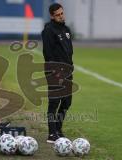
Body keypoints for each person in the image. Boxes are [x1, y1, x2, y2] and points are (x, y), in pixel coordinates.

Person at [41, 3, 74, 143]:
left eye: (62, 13)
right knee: (54, 102)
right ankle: (51, 133)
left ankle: (58, 130)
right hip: (55, 71)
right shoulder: (48, 30)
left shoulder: (66, 29)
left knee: (67, 102)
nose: (61, 16)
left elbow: (69, 50)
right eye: (58, 15)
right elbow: (47, 53)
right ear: (52, 16)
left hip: (67, 71)